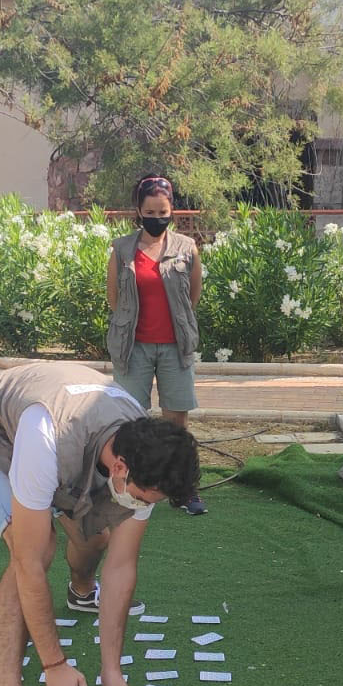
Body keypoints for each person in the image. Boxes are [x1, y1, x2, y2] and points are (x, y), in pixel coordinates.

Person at [0, 361, 200, 686]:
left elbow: (120, 566)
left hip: (69, 438)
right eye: (144, 498)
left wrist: (111, 669)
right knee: (37, 545)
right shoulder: (45, 439)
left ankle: (81, 591)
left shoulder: (145, 451)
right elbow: (28, 565)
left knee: (97, 536)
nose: (142, 507)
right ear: (119, 468)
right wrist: (54, 665)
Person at [106, 173, 208, 515]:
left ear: (172, 210)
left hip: (174, 348)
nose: (156, 218)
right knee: (129, 419)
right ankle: (126, 487)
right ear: (138, 211)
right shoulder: (121, 249)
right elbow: (113, 298)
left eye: (162, 211)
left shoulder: (186, 248)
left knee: (175, 422)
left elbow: (192, 296)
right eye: (149, 211)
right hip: (133, 347)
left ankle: (184, 490)